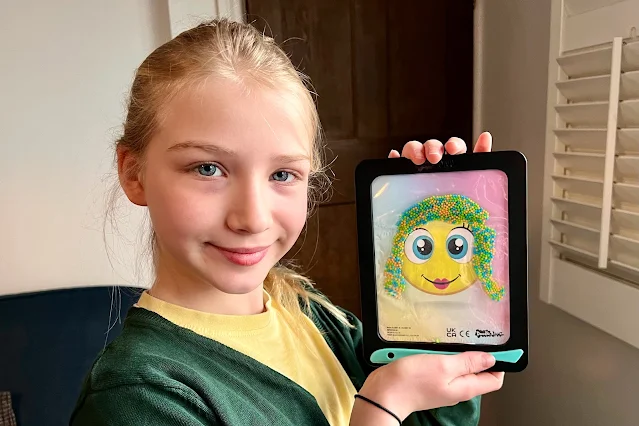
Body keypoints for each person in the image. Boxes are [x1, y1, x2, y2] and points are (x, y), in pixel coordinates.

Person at [69, 18, 503, 426]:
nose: (252, 218)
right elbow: (393, 403)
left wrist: (440, 299)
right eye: (207, 169)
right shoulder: (135, 398)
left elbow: (430, 415)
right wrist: (382, 409)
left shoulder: (310, 311)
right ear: (133, 173)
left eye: (282, 174)